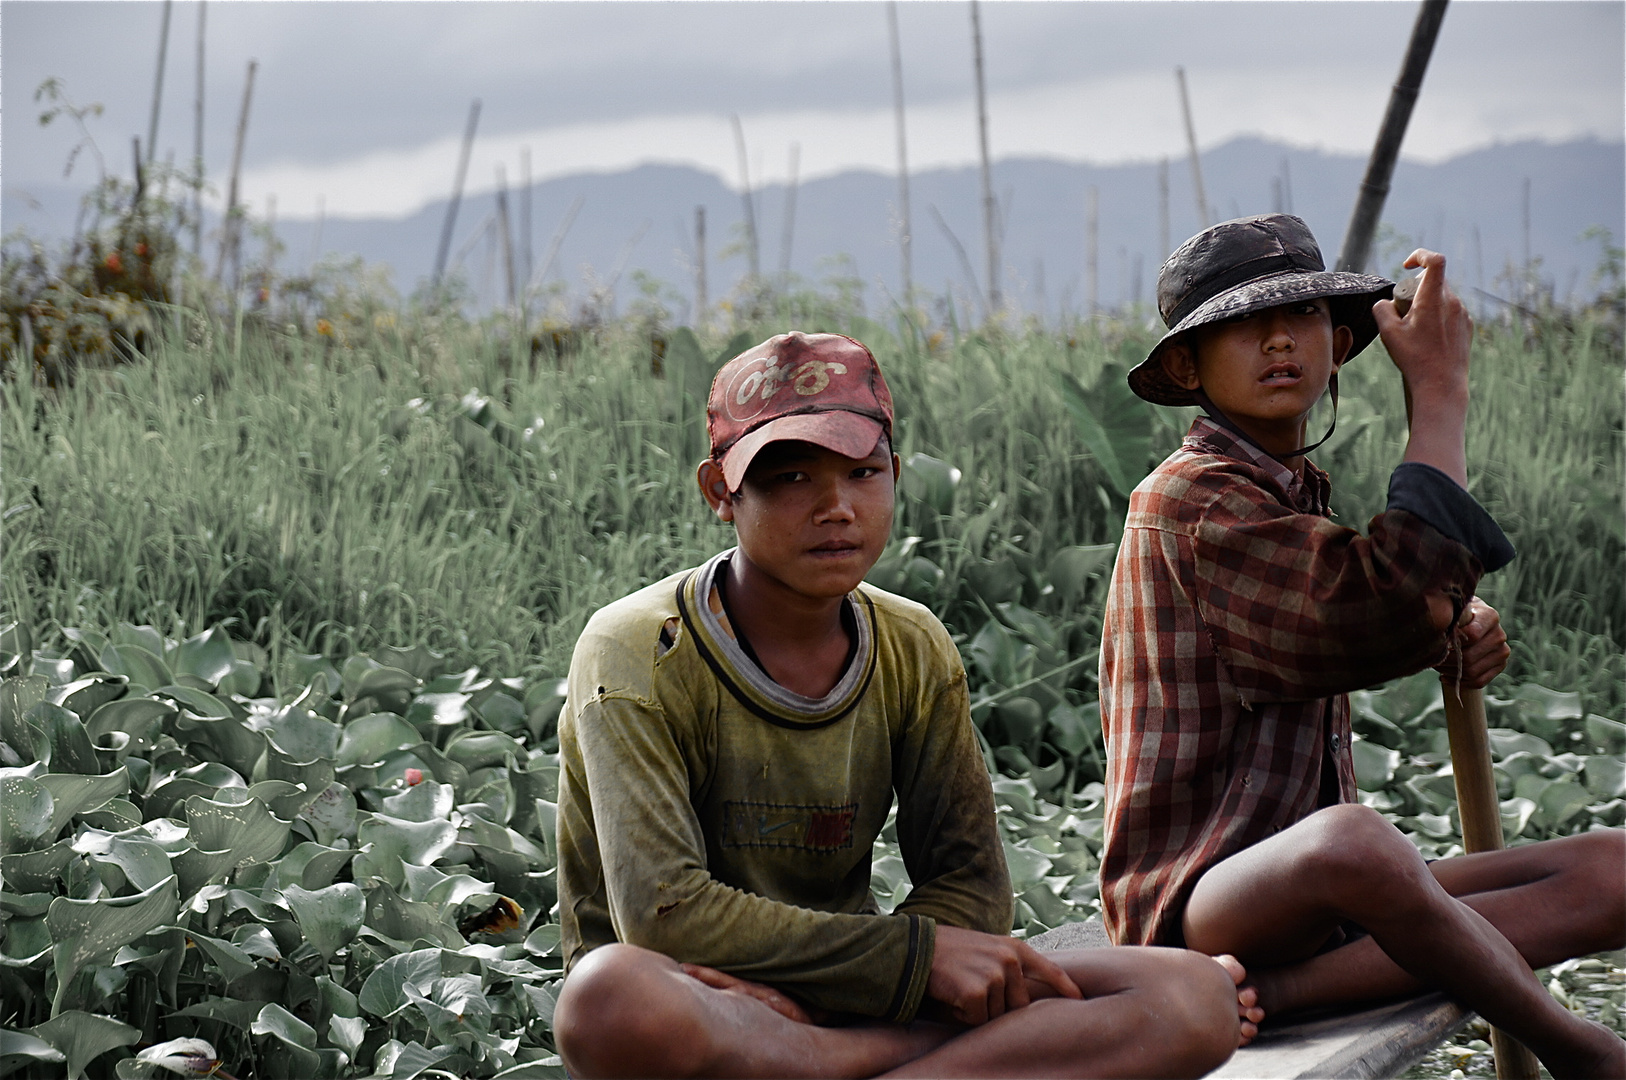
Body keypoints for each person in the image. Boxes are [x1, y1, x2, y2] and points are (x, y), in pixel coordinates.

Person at [551, 331, 1241, 1079]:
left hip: (847, 1000)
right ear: (721, 492)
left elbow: (973, 884)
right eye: (788, 477)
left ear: (895, 475)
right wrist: (918, 957)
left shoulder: (913, 643)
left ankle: (837, 1060)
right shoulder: (636, 648)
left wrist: (865, 985)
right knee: (607, 995)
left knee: (1192, 995)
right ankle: (894, 1063)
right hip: (703, 1007)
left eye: (861, 472)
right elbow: (663, 917)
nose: (836, 507)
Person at [1098, 213, 1626, 1077]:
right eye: (1241, 325)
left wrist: (1447, 628)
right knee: (1354, 839)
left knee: (1613, 871)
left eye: (1302, 319)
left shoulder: (1288, 487)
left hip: (1315, 904)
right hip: (1199, 901)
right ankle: (1586, 1053)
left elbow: (1350, 615)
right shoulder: (1191, 498)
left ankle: (1283, 991)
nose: (1278, 340)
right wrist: (1441, 399)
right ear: (1189, 365)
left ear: (1338, 344)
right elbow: (1376, 604)